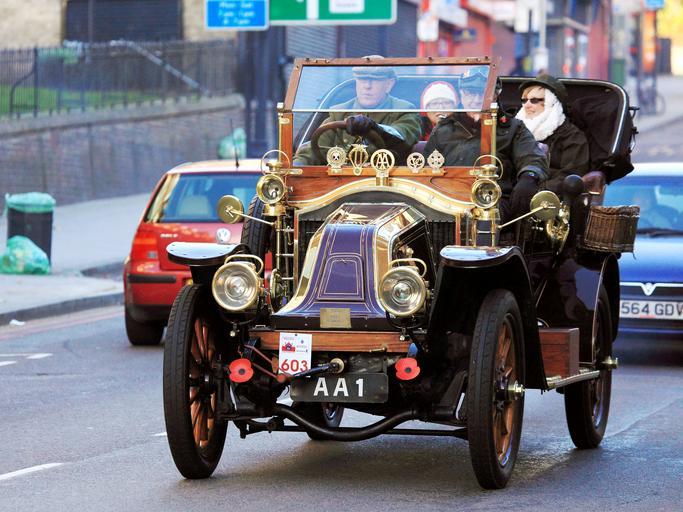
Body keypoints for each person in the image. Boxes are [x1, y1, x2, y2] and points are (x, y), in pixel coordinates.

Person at [423, 72, 549, 222]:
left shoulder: (513, 128)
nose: (476, 100)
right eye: (470, 93)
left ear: (496, 95)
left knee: (484, 218)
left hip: (493, 200)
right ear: (461, 94)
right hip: (447, 198)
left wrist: (529, 177)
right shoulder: (444, 129)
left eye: (483, 94)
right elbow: (425, 168)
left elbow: (532, 158)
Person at [294, 57, 421, 165]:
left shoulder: (403, 110)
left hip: (385, 179)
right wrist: (297, 166)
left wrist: (376, 128)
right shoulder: (339, 112)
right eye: (362, 80)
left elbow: (403, 136)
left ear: (389, 84)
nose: (367, 86)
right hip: (339, 182)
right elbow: (315, 148)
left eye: (375, 80)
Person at [516, 74, 590, 195]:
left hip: (549, 199)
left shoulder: (573, 137)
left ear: (552, 103)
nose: (527, 105)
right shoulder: (514, 132)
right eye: (524, 100)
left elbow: (571, 175)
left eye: (534, 100)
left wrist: (536, 190)